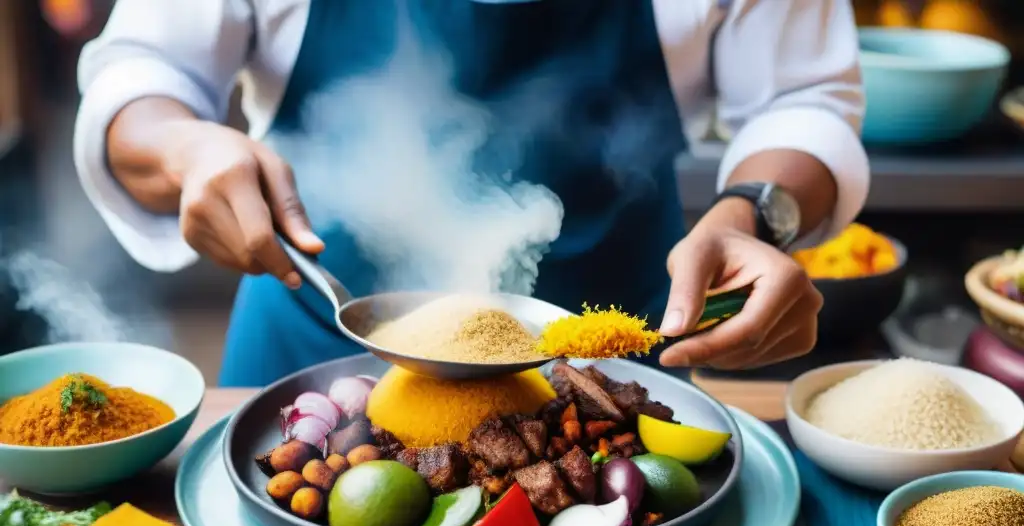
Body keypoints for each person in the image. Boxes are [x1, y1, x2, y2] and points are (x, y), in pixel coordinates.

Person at [74, 0, 868, 387]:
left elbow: (802, 102)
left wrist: (757, 214)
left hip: (615, 366)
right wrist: (186, 147)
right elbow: (141, 75)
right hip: (312, 352)